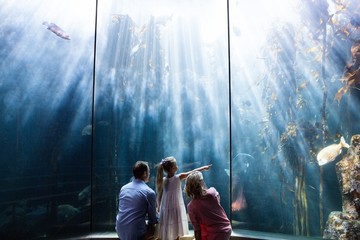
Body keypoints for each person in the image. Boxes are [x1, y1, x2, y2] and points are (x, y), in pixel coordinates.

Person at [156, 156, 212, 240]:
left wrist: (159, 206)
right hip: (175, 206)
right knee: (176, 228)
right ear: (172, 168)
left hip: (166, 206)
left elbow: (159, 195)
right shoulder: (178, 177)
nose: (177, 166)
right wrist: (204, 168)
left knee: (167, 227)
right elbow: (192, 172)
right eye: (176, 165)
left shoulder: (163, 180)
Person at [116, 161, 158, 240]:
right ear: (145, 173)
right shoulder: (149, 192)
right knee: (154, 227)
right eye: (149, 171)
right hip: (136, 233)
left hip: (120, 230)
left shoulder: (123, 188)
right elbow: (153, 219)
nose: (149, 174)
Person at [184, 171, 232, 240]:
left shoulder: (191, 206)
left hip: (213, 233)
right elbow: (218, 202)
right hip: (226, 228)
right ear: (202, 182)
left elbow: (197, 229)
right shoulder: (212, 192)